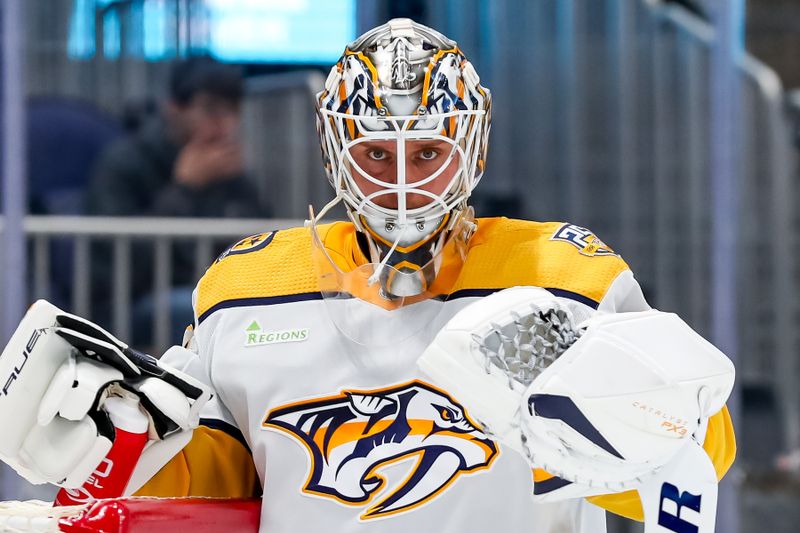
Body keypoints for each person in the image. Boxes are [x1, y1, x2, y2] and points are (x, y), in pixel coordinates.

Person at [0, 19, 734, 533]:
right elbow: (222, 480)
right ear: (337, 153)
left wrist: (629, 419)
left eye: (427, 153)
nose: (403, 184)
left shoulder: (567, 275)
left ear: (470, 149)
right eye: (378, 155)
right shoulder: (242, 287)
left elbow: (705, 453)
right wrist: (126, 444)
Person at [85, 55, 264, 344]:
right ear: (174, 108)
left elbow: (258, 242)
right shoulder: (123, 162)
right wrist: (184, 188)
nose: (224, 124)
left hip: (203, 290)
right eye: (210, 109)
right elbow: (118, 265)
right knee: (200, 310)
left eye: (232, 111)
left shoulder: (229, 172)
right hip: (129, 303)